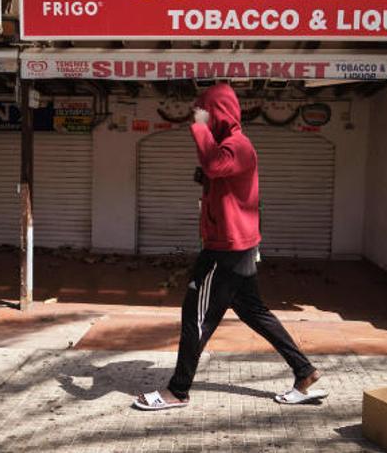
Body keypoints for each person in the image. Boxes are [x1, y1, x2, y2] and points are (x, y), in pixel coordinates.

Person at [135, 83, 326, 411]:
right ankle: (304, 372)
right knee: (256, 313)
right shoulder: (227, 145)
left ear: (218, 112)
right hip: (237, 246)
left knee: (194, 317)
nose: (201, 117)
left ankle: (177, 391)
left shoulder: (238, 146)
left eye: (205, 111)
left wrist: (197, 126)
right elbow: (216, 175)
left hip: (225, 251)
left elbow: (214, 165)